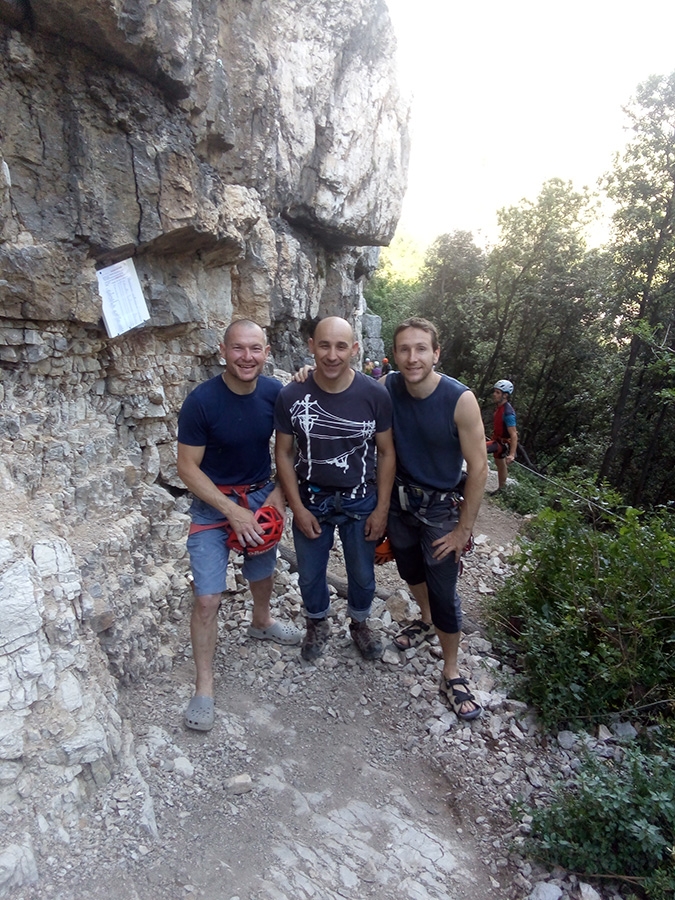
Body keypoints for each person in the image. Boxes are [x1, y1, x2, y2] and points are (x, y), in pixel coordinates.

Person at [177, 320, 301, 732]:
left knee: (262, 570)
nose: (246, 357)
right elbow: (186, 468)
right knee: (208, 599)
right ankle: (204, 686)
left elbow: (290, 449)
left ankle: (261, 622)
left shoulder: (275, 394)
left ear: (267, 352)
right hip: (214, 506)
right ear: (222, 350)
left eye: (255, 349)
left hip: (260, 496)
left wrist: (278, 496)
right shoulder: (202, 401)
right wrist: (232, 511)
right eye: (238, 349)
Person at [382, 317, 488, 720]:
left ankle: (451, 669)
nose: (413, 358)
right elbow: (344, 387)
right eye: (405, 349)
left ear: (436, 353)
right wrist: (307, 375)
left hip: (442, 507)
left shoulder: (460, 400)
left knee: (443, 588)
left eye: (421, 349)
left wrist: (463, 530)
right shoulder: (389, 386)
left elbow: (478, 468)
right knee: (410, 570)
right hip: (400, 501)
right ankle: (424, 620)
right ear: (395, 354)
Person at [274, 316, 396, 662]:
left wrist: (382, 507)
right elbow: (283, 452)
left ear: (354, 350)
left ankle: (359, 622)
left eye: (341, 346)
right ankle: (316, 621)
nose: (331, 354)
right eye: (324, 345)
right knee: (310, 573)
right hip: (311, 499)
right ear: (311, 346)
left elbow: (387, 452)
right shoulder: (292, 395)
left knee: (362, 571)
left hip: (361, 498)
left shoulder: (375, 395)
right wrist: (296, 508)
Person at [485, 379, 518, 492]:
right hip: (497, 440)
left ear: (505, 395)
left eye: (498, 392)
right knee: (500, 464)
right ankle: (502, 489)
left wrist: (512, 454)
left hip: (502, 443)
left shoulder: (508, 413)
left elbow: (514, 435)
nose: (494, 394)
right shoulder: (500, 408)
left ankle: (473, 479)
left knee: (478, 450)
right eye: (495, 391)